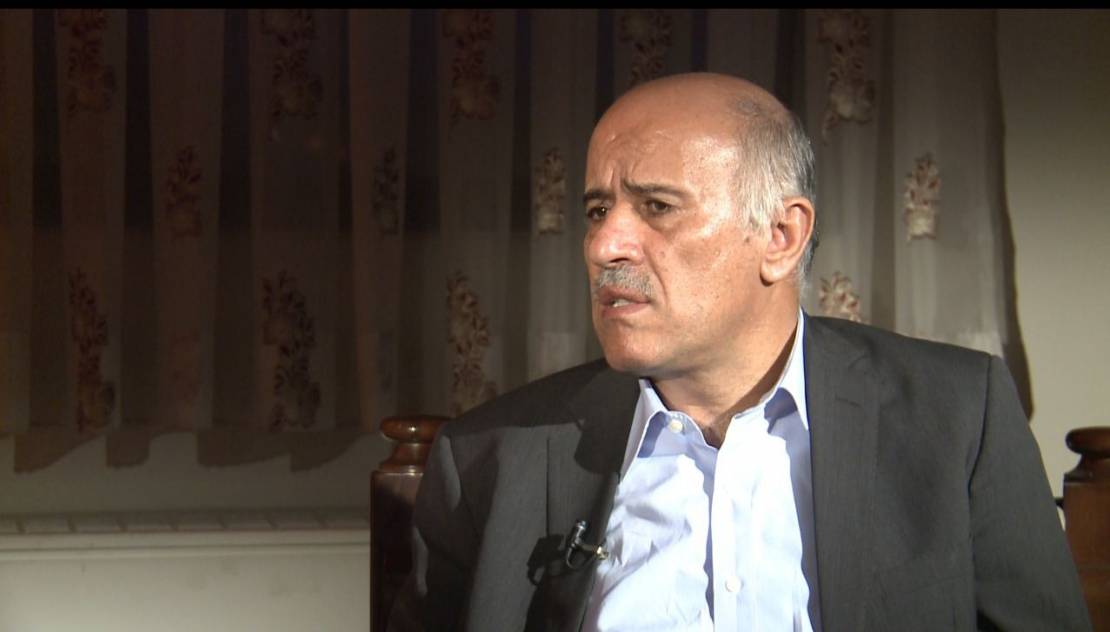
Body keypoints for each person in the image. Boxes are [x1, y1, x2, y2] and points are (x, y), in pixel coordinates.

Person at [390, 72, 1091, 631]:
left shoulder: (956, 416)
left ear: (781, 237)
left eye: (657, 206)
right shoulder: (487, 460)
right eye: (598, 210)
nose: (605, 245)